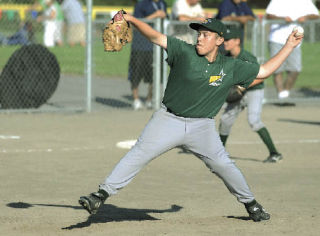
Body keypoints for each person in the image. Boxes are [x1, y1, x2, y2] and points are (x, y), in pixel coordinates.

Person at [78, 12, 303, 222]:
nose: (200, 38)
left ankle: (251, 204)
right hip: (168, 120)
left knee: (224, 166)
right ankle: (100, 194)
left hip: (202, 128)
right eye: (198, 34)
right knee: (139, 154)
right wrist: (133, 20)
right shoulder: (182, 51)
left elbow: (263, 72)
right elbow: (155, 36)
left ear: (219, 41)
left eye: (206, 34)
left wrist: (289, 46)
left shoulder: (230, 66)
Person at [218, 27, 283, 163]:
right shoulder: (226, 58)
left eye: (228, 40)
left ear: (237, 41)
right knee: (225, 120)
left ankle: (275, 153)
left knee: (254, 121)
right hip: (238, 91)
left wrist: (242, 87)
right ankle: (219, 153)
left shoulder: (247, 58)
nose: (225, 42)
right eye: (225, 39)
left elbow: (261, 76)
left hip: (254, 90)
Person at [266, 0, 320, 99]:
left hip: (295, 40)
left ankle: (285, 92)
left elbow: (316, 15)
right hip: (276, 39)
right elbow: (268, 15)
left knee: (295, 69)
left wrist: (306, 17)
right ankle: (281, 95)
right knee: (277, 69)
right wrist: (282, 19)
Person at [129, 0, 168, 110]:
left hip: (156, 45)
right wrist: (155, 15)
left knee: (154, 74)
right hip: (140, 45)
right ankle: (135, 99)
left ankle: (149, 99)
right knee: (136, 72)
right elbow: (136, 24)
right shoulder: (142, 4)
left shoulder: (162, 4)